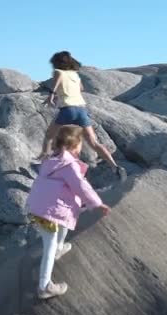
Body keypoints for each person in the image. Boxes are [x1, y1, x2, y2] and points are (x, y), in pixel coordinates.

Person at [27, 125, 111, 299]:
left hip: (39, 206)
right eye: (80, 143)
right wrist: (97, 203)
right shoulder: (69, 165)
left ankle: (59, 247)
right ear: (75, 145)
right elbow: (81, 186)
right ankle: (44, 286)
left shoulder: (51, 159)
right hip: (47, 211)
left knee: (65, 223)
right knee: (48, 246)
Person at [40, 50, 127, 182]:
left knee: (49, 137)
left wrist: (52, 93)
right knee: (94, 143)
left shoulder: (58, 72)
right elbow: (81, 88)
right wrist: (64, 91)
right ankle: (115, 167)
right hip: (81, 110)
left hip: (67, 110)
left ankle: (44, 167)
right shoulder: (75, 74)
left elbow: (57, 80)